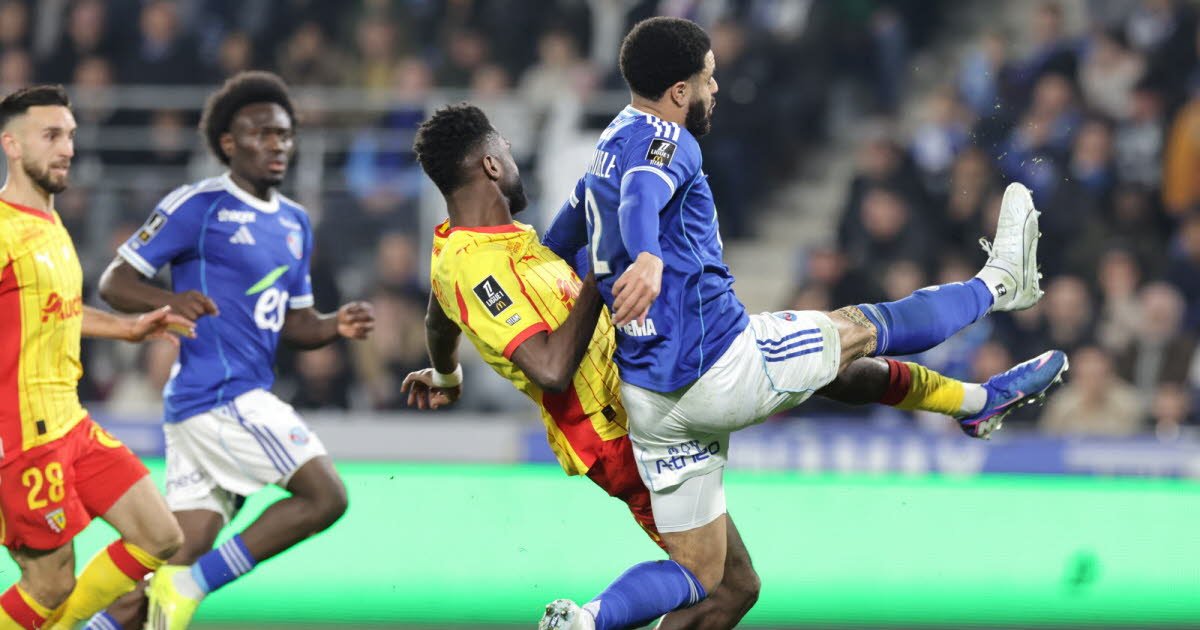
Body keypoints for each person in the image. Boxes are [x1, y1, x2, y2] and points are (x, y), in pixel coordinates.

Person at [401, 104, 1066, 630]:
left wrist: (447, 375)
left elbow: (439, 314)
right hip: (619, 428)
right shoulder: (481, 267)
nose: (518, 164)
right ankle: (996, 292)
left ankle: (974, 403)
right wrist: (604, 277)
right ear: (491, 163)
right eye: (510, 153)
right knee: (713, 574)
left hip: (641, 389)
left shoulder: (466, 251)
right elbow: (548, 367)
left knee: (735, 583)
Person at [92, 71, 374, 630]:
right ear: (228, 142)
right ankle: (193, 586)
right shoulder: (198, 206)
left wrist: (333, 326)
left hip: (214, 404)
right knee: (326, 497)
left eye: (284, 135)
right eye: (262, 134)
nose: (277, 145)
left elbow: (294, 323)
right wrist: (170, 301)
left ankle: (133, 608)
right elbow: (114, 281)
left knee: (173, 556)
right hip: (221, 395)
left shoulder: (295, 223)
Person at [0, 85, 195, 629]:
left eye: (70, 136)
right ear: (12, 145)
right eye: (51, 136)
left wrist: (127, 329)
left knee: (159, 536)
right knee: (50, 583)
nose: (67, 148)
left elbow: (56, 309)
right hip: (22, 435)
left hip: (71, 422)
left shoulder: (48, 222)